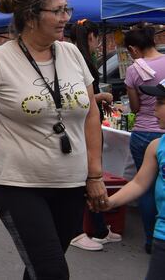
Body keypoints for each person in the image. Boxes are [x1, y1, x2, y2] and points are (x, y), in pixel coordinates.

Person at [0, 0, 106, 280]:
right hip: (18, 185)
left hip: (71, 184)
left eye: (67, 9)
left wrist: (95, 174)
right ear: (30, 16)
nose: (67, 17)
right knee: (52, 271)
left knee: (39, 267)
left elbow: (91, 113)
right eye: (58, 11)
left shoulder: (72, 53)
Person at [67, 19, 121, 251]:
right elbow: (76, 97)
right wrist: (101, 98)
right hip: (83, 125)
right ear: (91, 37)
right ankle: (77, 231)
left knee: (90, 174)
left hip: (90, 122)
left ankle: (99, 228)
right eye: (97, 38)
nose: (98, 43)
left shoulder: (78, 59)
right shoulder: (78, 61)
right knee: (85, 175)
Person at [103, 79, 165, 279]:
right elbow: (139, 183)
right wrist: (110, 202)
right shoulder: (156, 146)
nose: (154, 109)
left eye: (161, 103)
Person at [123, 23, 165, 254]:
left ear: (134, 48)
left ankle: (151, 240)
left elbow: (136, 107)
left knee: (146, 187)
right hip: (163, 132)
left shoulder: (133, 70)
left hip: (144, 131)